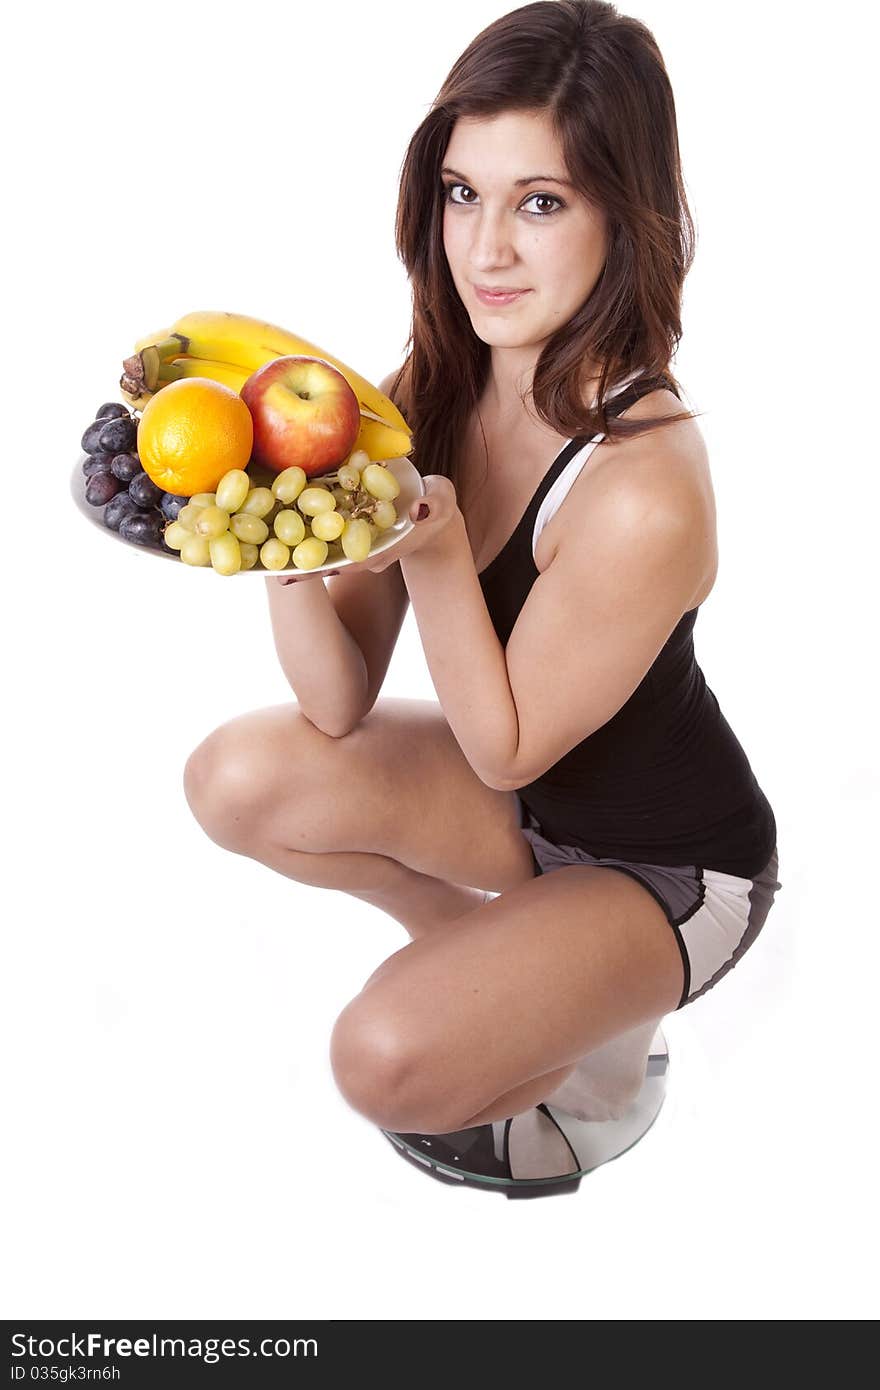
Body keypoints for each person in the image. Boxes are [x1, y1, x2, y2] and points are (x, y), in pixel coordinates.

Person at [182, 0, 782, 1196]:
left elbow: (501, 748)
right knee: (235, 777)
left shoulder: (644, 480)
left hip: (667, 872)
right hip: (532, 829)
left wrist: (435, 544)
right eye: (463, 193)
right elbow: (337, 701)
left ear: (627, 212)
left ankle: (601, 1056)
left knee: (385, 1059)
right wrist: (282, 547)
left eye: (540, 202)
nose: (486, 249)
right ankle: (526, 978)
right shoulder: (440, 387)